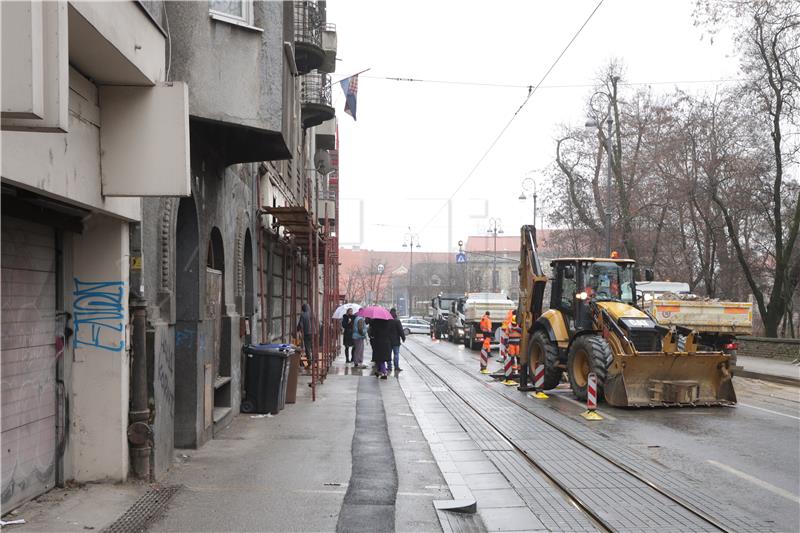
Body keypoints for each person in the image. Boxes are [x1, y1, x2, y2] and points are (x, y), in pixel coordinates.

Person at [387, 308, 406, 372]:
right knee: (396, 354)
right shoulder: (397, 321)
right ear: (395, 313)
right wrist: (403, 338)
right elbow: (400, 331)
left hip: (388, 341)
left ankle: (389, 367)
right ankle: (396, 367)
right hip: (396, 341)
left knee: (388, 354)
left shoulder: (387, 320)